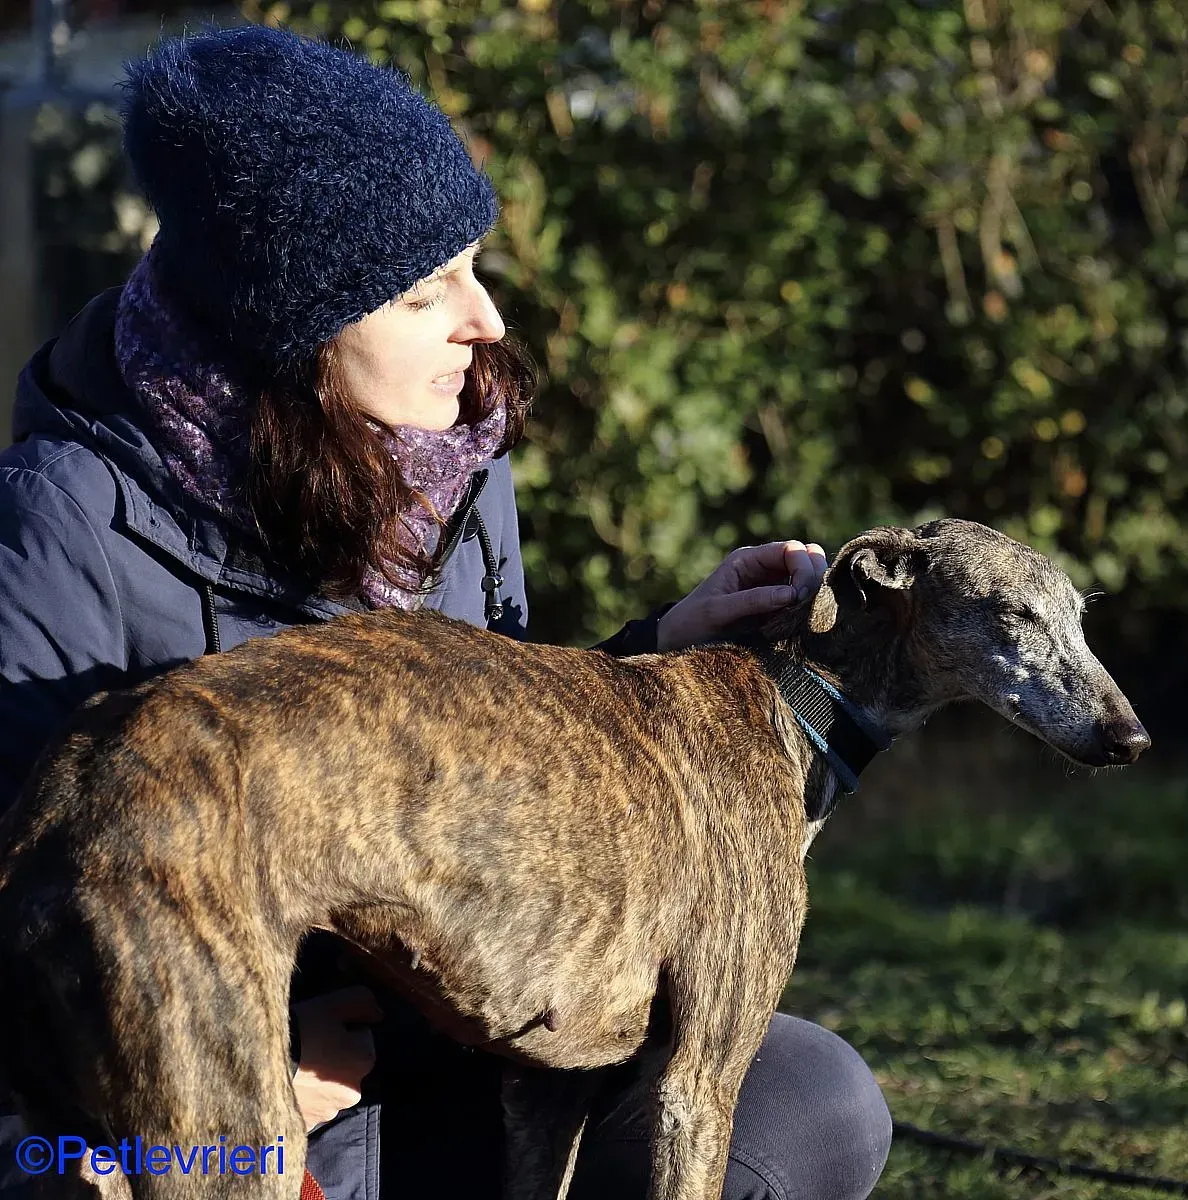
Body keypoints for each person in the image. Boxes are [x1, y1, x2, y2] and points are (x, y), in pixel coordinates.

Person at [0, 23, 892, 1200]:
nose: (487, 322)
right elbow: (30, 902)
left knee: (805, 1106)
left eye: (475, 266)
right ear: (289, 330)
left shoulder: (448, 455)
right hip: (227, 1094)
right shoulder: (63, 520)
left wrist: (649, 661)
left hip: (465, 1040)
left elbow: (475, 756)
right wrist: (239, 1071)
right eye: (426, 293)